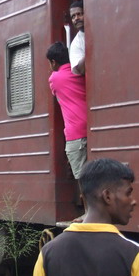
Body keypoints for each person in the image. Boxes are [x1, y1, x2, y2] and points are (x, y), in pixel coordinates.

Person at [47, 42, 87, 184]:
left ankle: (87, 207)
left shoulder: (55, 78)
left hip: (75, 135)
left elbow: (55, 93)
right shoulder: (80, 70)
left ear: (53, 62)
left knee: (83, 181)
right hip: (90, 128)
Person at [68, 1, 85, 76]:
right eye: (73, 16)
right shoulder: (76, 43)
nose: (76, 18)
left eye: (79, 14)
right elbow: (79, 70)